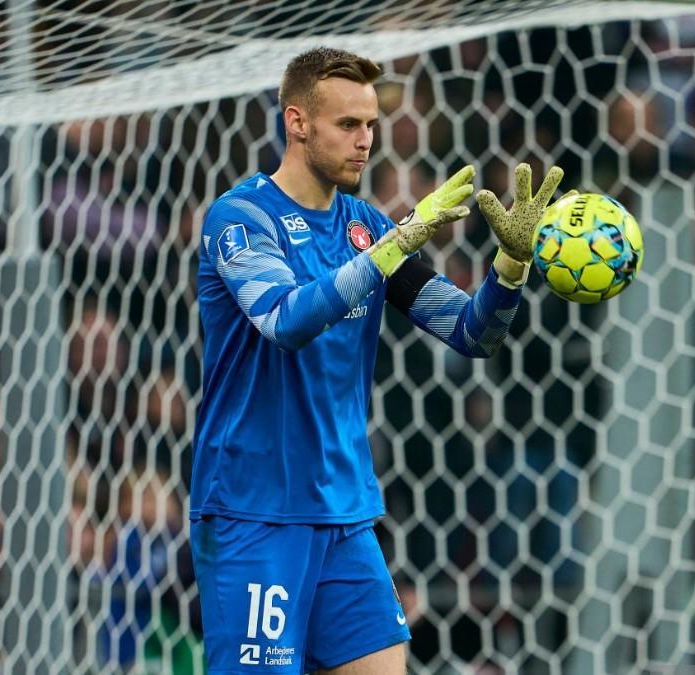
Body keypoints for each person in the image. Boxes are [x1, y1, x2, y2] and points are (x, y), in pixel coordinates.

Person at [188, 47, 568, 673]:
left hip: (345, 514)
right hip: (255, 513)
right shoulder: (242, 218)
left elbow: (472, 332)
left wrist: (510, 269)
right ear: (297, 122)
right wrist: (396, 244)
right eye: (348, 125)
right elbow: (286, 320)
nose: (365, 142)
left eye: (370, 125)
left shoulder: (364, 225)